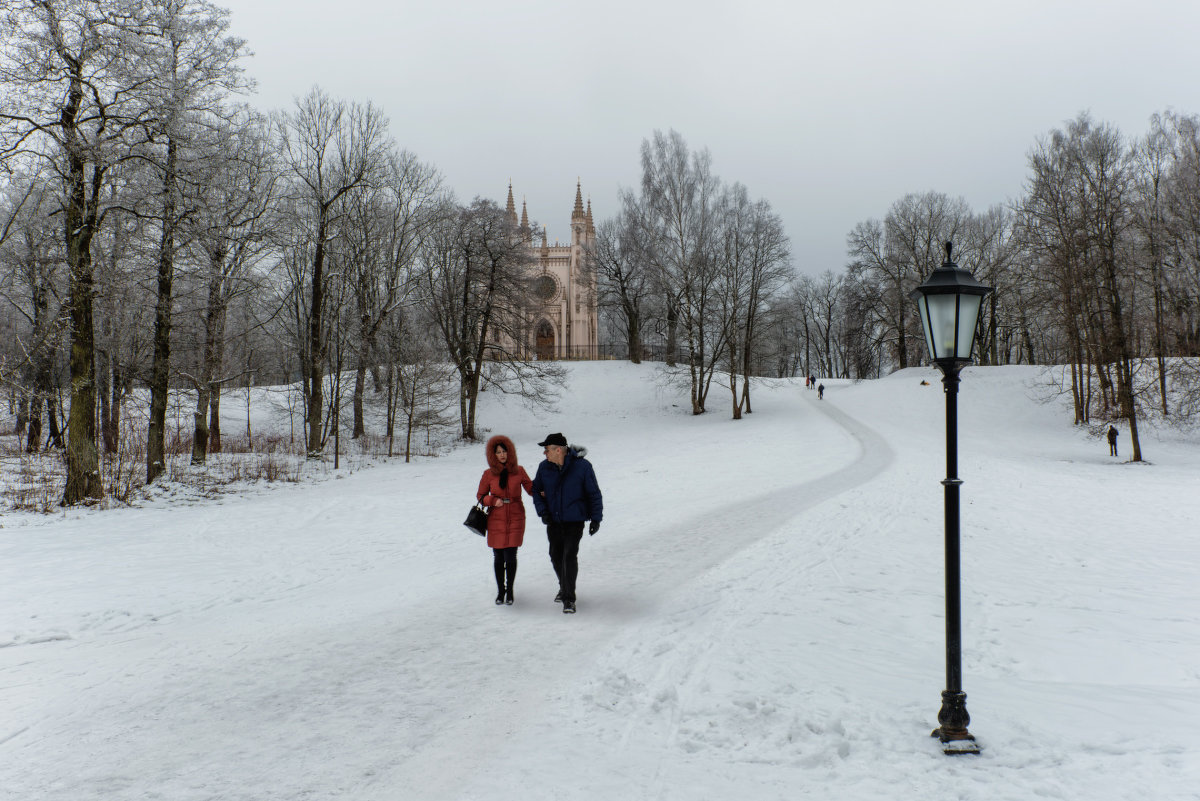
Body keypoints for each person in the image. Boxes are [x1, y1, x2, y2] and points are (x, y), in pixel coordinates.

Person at [531, 432, 603, 614]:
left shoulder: (583, 467)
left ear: (558, 450)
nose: (544, 453)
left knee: (569, 556)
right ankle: (564, 586)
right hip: (553, 520)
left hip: (575, 520)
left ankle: (569, 598)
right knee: (555, 555)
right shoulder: (543, 468)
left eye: (546, 450)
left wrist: (596, 518)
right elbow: (535, 490)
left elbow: (593, 493)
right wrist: (543, 512)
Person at [476, 435, 534, 606]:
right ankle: (501, 591)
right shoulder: (488, 474)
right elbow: (480, 496)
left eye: (504, 451)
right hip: (496, 518)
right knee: (498, 557)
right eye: (498, 452)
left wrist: (546, 486)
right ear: (493, 455)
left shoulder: (519, 471)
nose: (502, 455)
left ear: (510, 452)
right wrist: (492, 501)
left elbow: (532, 489)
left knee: (511, 556)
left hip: (516, 516)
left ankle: (510, 590)